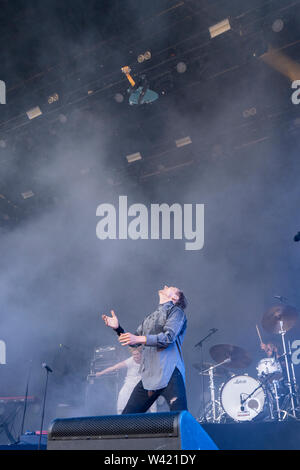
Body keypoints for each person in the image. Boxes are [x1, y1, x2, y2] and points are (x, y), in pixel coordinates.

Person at [101, 285, 188, 414]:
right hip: (149, 376)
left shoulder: (176, 312)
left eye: (170, 287)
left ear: (175, 297)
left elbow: (168, 338)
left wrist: (138, 339)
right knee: (127, 417)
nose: (165, 286)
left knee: (180, 419)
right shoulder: (149, 318)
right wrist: (118, 328)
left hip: (170, 372)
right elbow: (134, 342)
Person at [95, 347, 157, 414]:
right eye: (134, 354)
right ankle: (120, 417)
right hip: (130, 384)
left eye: (137, 354)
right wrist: (101, 373)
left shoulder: (146, 361)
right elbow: (114, 367)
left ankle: (154, 416)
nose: (135, 356)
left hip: (142, 385)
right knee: (122, 396)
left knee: (151, 397)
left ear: (141, 354)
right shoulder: (130, 361)